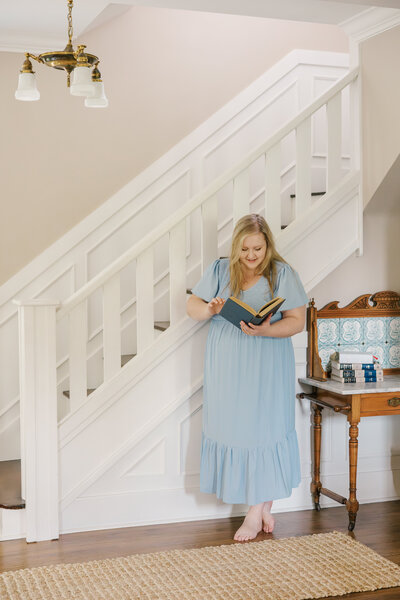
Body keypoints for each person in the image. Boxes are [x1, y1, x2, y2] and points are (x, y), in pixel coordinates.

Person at [186, 213, 308, 542]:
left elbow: (298, 321)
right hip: (227, 366)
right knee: (234, 428)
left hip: (267, 362)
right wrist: (211, 308)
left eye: (258, 248)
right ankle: (263, 505)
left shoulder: (282, 273)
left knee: (265, 429)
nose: (251, 255)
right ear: (236, 246)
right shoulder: (219, 270)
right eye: (245, 249)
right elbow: (192, 307)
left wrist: (267, 329)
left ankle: (255, 512)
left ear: (268, 245)